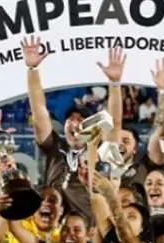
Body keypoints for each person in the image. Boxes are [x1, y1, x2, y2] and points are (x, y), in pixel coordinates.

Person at [23, 36, 124, 221]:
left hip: (91, 229)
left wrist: (115, 84)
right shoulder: (55, 148)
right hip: (53, 227)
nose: (75, 123)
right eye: (70, 119)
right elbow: (39, 113)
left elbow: (115, 123)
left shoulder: (100, 152)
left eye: (80, 119)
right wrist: (32, 69)